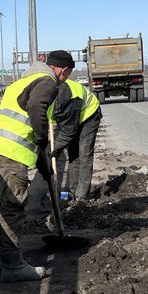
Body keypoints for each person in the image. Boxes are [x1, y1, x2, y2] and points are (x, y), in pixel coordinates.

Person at [0, 49, 76, 282]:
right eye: (68, 75)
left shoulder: (23, 81)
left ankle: (0, 257)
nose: (66, 79)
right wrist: (42, 137)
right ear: (64, 70)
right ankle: (13, 267)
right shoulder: (47, 83)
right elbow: (36, 108)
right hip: (11, 153)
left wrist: (43, 164)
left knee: (6, 204)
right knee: (14, 205)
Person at [51, 73, 102, 204]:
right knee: (73, 155)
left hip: (89, 114)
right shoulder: (46, 95)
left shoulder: (67, 98)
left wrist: (55, 150)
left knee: (84, 154)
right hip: (72, 117)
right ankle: (73, 192)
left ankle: (82, 196)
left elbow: (67, 132)